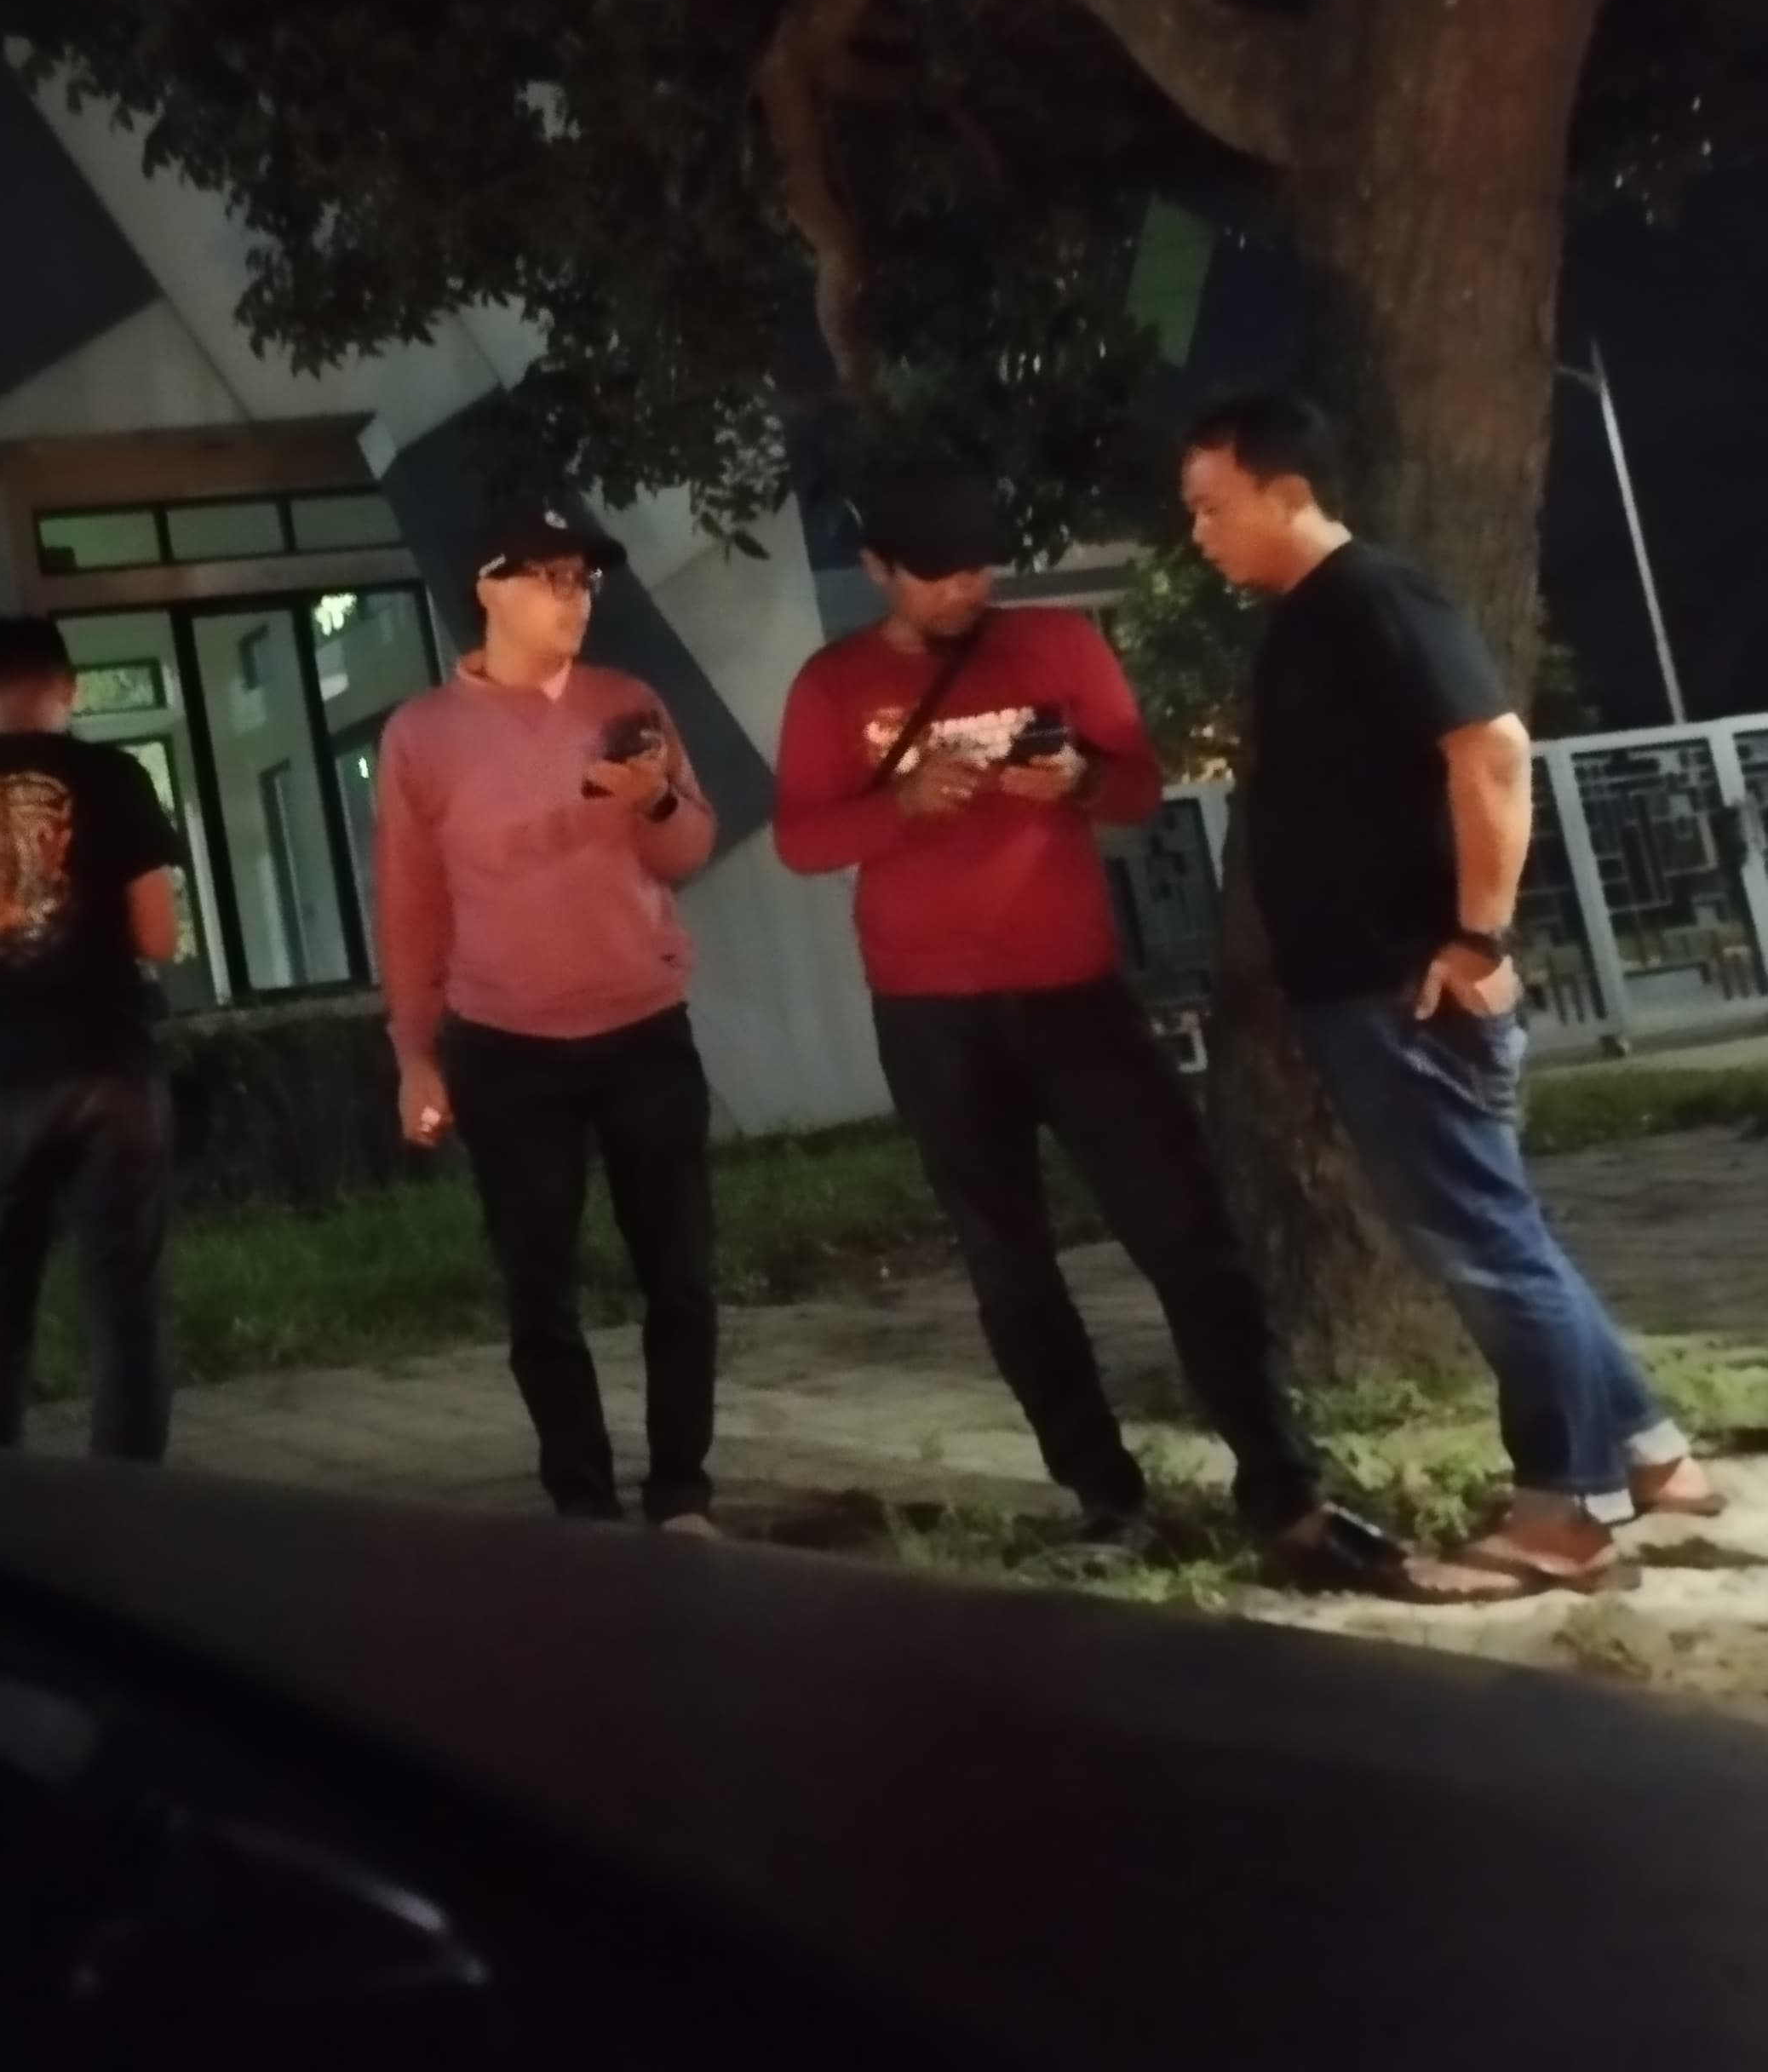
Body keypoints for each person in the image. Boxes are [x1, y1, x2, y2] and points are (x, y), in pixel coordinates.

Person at [776, 463, 1446, 1593]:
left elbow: (1137, 786)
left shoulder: (1056, 646)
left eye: (978, 570)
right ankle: (1103, 1495)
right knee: (1008, 1261)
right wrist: (900, 806)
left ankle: (1283, 1486)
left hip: (1076, 992)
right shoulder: (833, 685)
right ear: (878, 570)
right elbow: (801, 841)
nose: (963, 591)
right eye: (936, 576)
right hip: (929, 1010)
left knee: (1186, 1233)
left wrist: (1079, 778)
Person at [1184, 390, 1724, 1592]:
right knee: (1498, 1227)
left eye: (1213, 507)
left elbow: (1493, 748)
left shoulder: (1374, 595)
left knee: (1483, 1244)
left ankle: (1567, 1511)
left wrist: (1477, 935)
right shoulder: (1311, 616)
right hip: (1369, 985)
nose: (1199, 533)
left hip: (1407, 988)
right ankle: (1649, 1454)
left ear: (1286, 492)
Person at [374, 508, 723, 1530]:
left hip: (642, 1022)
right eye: (551, 578)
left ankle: (681, 1490)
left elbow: (688, 850)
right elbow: (409, 904)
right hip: (506, 1042)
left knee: (680, 1273)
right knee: (539, 1289)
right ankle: (582, 1501)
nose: (575, 599)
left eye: (583, 580)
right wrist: (414, 1051)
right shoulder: (423, 734)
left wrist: (654, 801)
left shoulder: (627, 702)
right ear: (489, 588)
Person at [0, 613, 187, 1462]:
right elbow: (160, 935)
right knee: (126, 1301)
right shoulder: (117, 778)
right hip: (108, 1062)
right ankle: (127, 1500)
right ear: (70, 687)